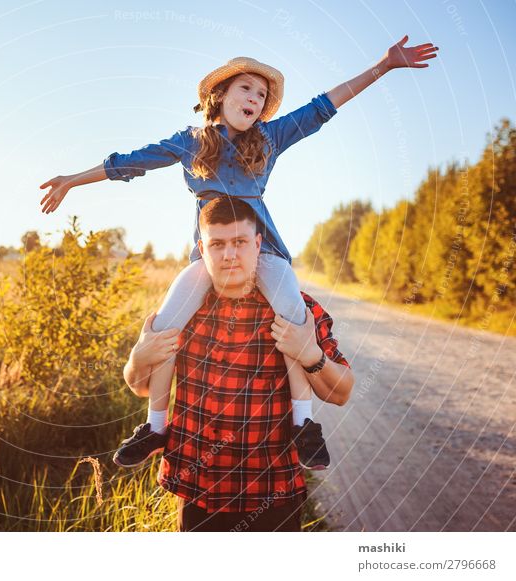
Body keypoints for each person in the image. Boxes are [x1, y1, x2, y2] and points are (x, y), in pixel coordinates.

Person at [39, 36, 437, 469]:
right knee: (165, 326)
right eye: (246, 87)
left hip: (262, 250)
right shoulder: (190, 142)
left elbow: (323, 106)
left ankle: (304, 425)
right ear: (221, 95)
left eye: (262, 94)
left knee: (292, 319)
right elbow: (130, 162)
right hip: (209, 254)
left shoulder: (269, 138)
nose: (255, 98)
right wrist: (71, 181)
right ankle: (155, 427)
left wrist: (384, 65)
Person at [123, 196, 354, 531]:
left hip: (273, 497)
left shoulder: (295, 310)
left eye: (240, 242)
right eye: (218, 244)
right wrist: (137, 358)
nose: (230, 254)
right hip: (196, 491)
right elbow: (138, 385)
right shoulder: (182, 310)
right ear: (202, 249)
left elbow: (342, 392)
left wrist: (311, 354)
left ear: (258, 244)